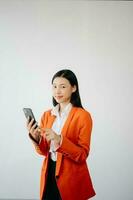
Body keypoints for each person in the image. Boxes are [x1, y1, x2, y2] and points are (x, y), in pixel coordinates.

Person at [26, 69, 96, 200]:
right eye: (54, 86)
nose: (57, 91)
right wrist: (35, 138)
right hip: (49, 173)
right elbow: (44, 152)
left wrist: (59, 140)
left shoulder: (83, 116)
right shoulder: (47, 115)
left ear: (74, 88)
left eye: (63, 87)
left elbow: (82, 155)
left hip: (71, 177)